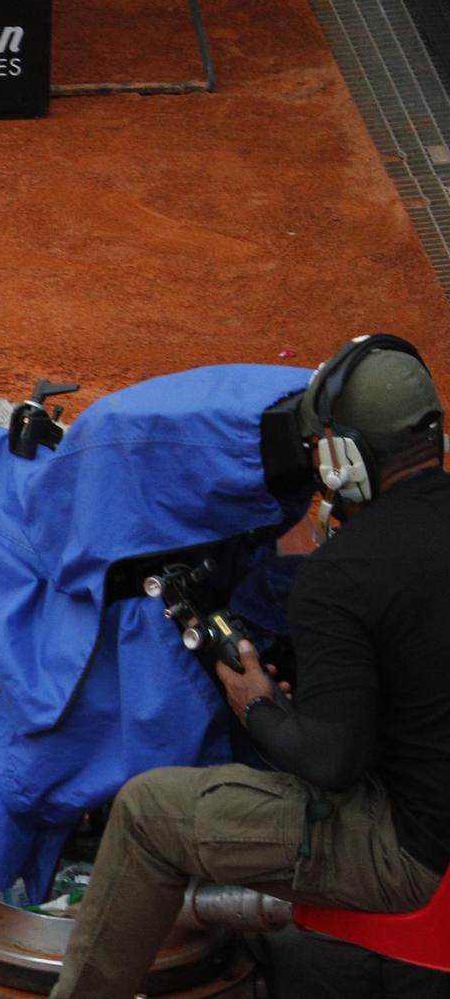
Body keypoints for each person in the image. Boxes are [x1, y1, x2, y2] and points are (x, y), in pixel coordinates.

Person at [50, 335, 450, 998]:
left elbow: (331, 763)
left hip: (413, 855)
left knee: (150, 813)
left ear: (345, 456)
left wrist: (256, 703)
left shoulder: (340, 577)